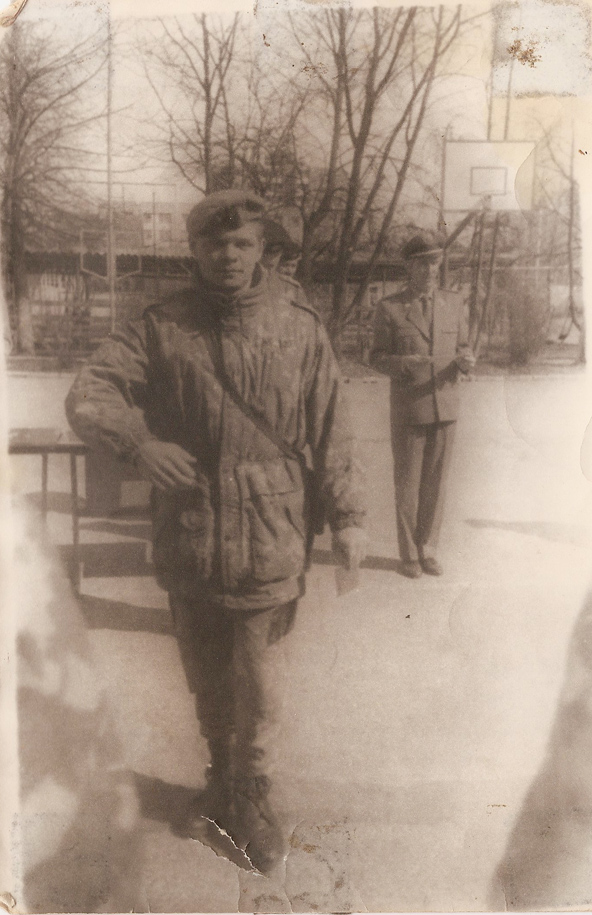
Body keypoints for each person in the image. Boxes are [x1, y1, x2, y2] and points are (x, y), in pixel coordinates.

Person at [66, 189, 367, 875]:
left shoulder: (298, 326)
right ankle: (219, 782)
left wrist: (349, 516)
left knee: (256, 678)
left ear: (261, 249)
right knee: (204, 675)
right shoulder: (162, 325)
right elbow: (90, 391)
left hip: (269, 530)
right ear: (194, 249)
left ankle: (252, 793)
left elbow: (333, 426)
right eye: (214, 243)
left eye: (242, 243)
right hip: (192, 529)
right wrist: (139, 443)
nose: (228, 255)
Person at [370, 234, 475, 579]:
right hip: (410, 407)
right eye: (423, 264)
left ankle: (428, 549)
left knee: (436, 484)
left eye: (435, 262)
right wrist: (403, 363)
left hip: (446, 406)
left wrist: (466, 360)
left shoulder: (453, 303)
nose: (431, 270)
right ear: (409, 266)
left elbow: (463, 346)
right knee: (407, 485)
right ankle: (408, 555)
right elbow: (375, 357)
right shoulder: (390, 308)